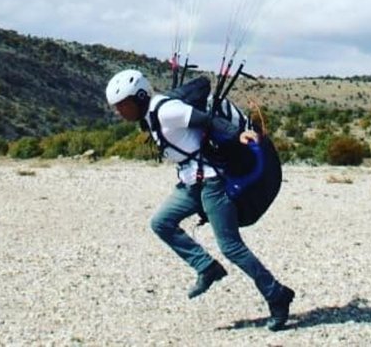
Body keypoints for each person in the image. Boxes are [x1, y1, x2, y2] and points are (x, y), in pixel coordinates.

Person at [106, 69, 295, 332]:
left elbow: (205, 120)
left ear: (139, 97)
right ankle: (207, 267)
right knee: (161, 223)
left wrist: (236, 133)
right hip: (190, 183)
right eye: (117, 107)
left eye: (123, 106)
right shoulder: (150, 114)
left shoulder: (165, 111)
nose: (120, 112)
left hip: (211, 184)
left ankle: (277, 295)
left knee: (230, 246)